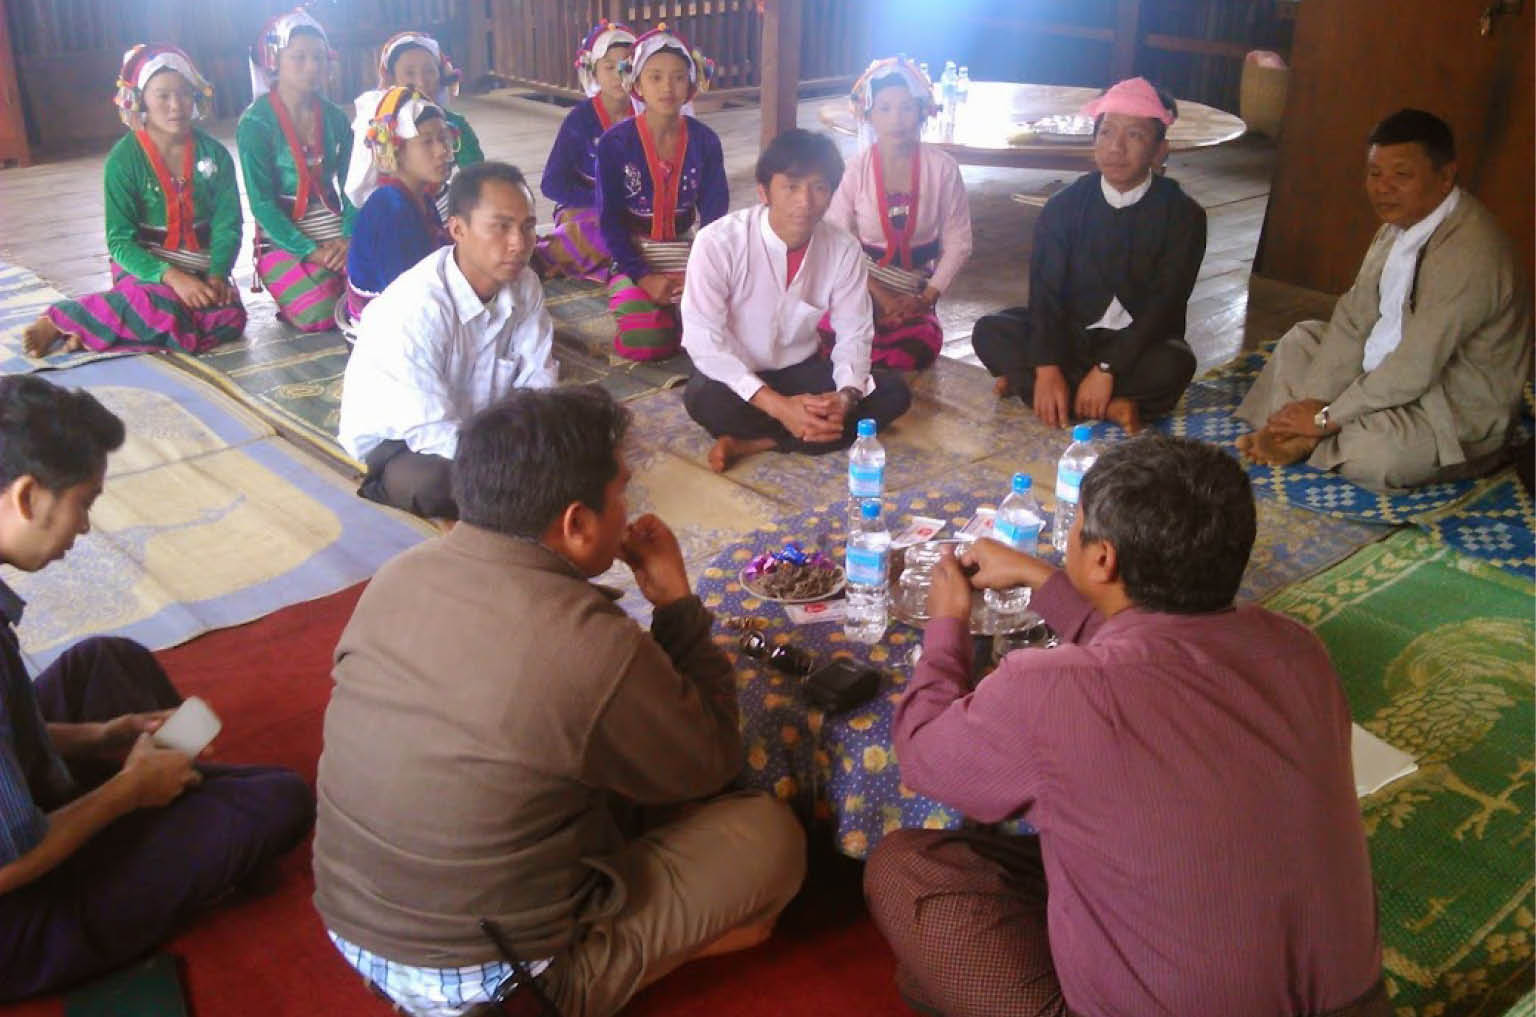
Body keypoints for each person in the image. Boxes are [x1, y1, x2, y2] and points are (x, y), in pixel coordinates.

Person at [314, 385, 806, 1017]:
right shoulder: (591, 643)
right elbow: (710, 763)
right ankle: (595, 975)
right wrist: (678, 607)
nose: (631, 510)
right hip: (494, 978)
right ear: (576, 525)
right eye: (623, 492)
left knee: (576, 759)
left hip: (351, 926)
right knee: (769, 837)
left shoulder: (399, 574)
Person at [864, 434, 1387, 1017]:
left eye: (1077, 529)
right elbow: (1157, 645)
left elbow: (923, 753)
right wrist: (1046, 581)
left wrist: (947, 624)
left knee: (904, 868)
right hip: (1353, 1004)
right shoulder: (1298, 650)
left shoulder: (1051, 689)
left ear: (1103, 559)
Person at [0, 375, 314, 1001]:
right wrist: (125, 792)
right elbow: (6, 865)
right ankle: (179, 820)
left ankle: (175, 809)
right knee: (278, 801)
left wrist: (98, 736)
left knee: (105, 662)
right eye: (84, 502)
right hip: (16, 922)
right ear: (29, 496)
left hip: (22, 808)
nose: (86, 527)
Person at [1235, 109, 1532, 489]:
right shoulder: (1396, 228)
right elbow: (1354, 318)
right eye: (1375, 173)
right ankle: (1305, 436)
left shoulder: (1470, 252)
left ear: (1445, 177)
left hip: (1447, 402)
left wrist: (1325, 419)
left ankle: (1303, 440)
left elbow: (1417, 365)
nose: (1383, 187)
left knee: (1381, 454)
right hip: (1384, 375)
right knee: (1300, 340)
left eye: (1402, 175)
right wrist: (1315, 402)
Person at [971, 77, 1206, 434]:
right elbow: (1045, 293)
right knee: (990, 331)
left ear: (1160, 150)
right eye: (1107, 133)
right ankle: (1102, 404)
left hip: (1137, 344)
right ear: (1093, 142)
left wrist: (1108, 368)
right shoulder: (1064, 207)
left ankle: (1037, 389)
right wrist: (1048, 364)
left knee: (1176, 363)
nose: (1116, 148)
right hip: (1072, 336)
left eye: (1135, 136)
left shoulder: (1183, 215)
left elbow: (1165, 305)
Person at [681, 128, 913, 472]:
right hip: (737, 380)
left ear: (831, 193)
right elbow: (704, 342)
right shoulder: (717, 243)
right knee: (703, 398)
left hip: (799, 373)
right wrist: (779, 407)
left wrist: (844, 398)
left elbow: (855, 332)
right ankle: (796, 429)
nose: (805, 201)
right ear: (764, 191)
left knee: (892, 393)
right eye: (791, 187)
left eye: (818, 187)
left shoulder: (843, 248)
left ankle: (759, 442)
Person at [337, 161, 557, 522]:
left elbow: (539, 377)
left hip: (486, 429)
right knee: (438, 485)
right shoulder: (418, 307)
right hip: (406, 443)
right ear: (458, 229)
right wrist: (518, 462)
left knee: (580, 434)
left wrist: (543, 437)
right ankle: (386, 485)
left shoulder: (525, 284)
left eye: (528, 227)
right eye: (501, 227)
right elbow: (430, 428)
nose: (519, 243)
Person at [22, 44, 245, 358]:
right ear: (141, 99)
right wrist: (173, 278)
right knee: (161, 306)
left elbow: (228, 224)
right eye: (162, 96)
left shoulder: (215, 154)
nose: (176, 106)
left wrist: (218, 274)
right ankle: (61, 319)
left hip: (202, 268)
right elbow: (119, 242)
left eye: (183, 94)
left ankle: (96, 331)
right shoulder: (123, 159)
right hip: (147, 269)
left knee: (229, 318)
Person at [824, 56, 972, 370]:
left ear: (922, 111)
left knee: (915, 349)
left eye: (907, 107)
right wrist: (880, 295)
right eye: (885, 108)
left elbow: (958, 242)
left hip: (914, 289)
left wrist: (926, 298)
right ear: (869, 115)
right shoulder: (855, 169)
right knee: (825, 332)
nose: (897, 119)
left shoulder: (943, 168)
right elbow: (837, 235)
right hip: (863, 281)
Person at [595, 25, 728, 361]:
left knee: (732, 323)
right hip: (635, 254)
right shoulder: (615, 143)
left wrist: (700, 271)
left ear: (691, 85)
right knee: (646, 341)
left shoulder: (706, 140)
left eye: (678, 77)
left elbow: (715, 216)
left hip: (688, 253)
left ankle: (681, 319)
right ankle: (666, 319)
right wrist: (643, 276)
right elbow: (609, 221)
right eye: (655, 77)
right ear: (637, 84)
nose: (667, 87)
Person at [236, 8, 354, 332]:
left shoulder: (336, 118)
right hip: (282, 233)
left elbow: (354, 186)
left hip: (331, 224)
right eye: (299, 57)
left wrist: (348, 237)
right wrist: (310, 251)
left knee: (387, 281)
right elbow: (262, 204)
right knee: (320, 311)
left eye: (319, 57)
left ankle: (338, 275)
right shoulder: (255, 123)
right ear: (276, 60)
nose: (312, 67)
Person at [338, 85, 455, 330]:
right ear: (396, 151)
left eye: (444, 138)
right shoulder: (391, 209)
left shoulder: (419, 197)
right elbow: (402, 297)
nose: (442, 151)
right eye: (427, 143)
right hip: (390, 324)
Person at [534, 20, 638, 282]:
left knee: (647, 232)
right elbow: (551, 184)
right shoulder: (579, 120)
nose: (618, 75)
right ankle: (541, 258)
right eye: (609, 67)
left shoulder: (646, 116)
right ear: (593, 71)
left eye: (626, 66)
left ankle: (590, 264)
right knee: (598, 229)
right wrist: (602, 201)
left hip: (635, 208)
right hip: (586, 209)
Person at [375, 31, 484, 222]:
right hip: (392, 211)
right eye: (410, 73)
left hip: (443, 208)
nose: (421, 82)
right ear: (392, 79)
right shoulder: (380, 128)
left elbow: (475, 176)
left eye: (429, 71)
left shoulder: (455, 123)